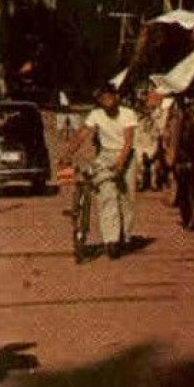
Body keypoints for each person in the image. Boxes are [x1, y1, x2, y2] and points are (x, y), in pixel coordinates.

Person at [64, 84, 141, 258]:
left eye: (110, 97)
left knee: (126, 199)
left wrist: (120, 164)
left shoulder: (127, 114)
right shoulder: (96, 115)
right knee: (107, 195)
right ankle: (111, 240)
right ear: (99, 101)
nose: (107, 101)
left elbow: (128, 142)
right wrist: (67, 154)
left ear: (116, 97)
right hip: (106, 155)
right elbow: (82, 135)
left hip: (126, 155)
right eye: (103, 99)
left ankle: (125, 236)